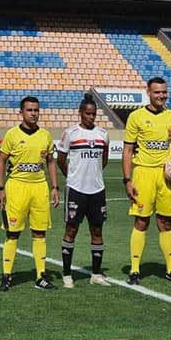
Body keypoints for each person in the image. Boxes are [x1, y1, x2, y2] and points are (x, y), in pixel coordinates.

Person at [122, 77, 171, 285]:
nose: (161, 96)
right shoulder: (136, 117)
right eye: (157, 92)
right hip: (143, 174)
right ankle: (134, 270)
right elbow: (127, 151)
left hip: (166, 176)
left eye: (164, 92)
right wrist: (127, 180)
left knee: (165, 222)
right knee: (141, 221)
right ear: (148, 93)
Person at [0, 96, 60, 291]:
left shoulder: (45, 136)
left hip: (39, 188)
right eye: (30, 110)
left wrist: (55, 187)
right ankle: (6, 276)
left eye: (36, 110)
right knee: (13, 233)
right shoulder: (12, 135)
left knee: (39, 233)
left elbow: (50, 161)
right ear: (21, 112)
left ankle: (41, 276)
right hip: (17, 187)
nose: (33, 113)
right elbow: (1, 160)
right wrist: (1, 188)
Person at [57, 93, 110, 288]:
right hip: (76, 189)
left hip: (97, 189)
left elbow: (104, 158)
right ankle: (67, 274)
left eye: (93, 114)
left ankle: (96, 274)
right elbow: (61, 160)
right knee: (71, 229)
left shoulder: (103, 134)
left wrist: (93, 174)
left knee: (97, 230)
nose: (91, 117)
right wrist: (72, 177)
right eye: (87, 114)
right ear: (80, 113)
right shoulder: (71, 133)